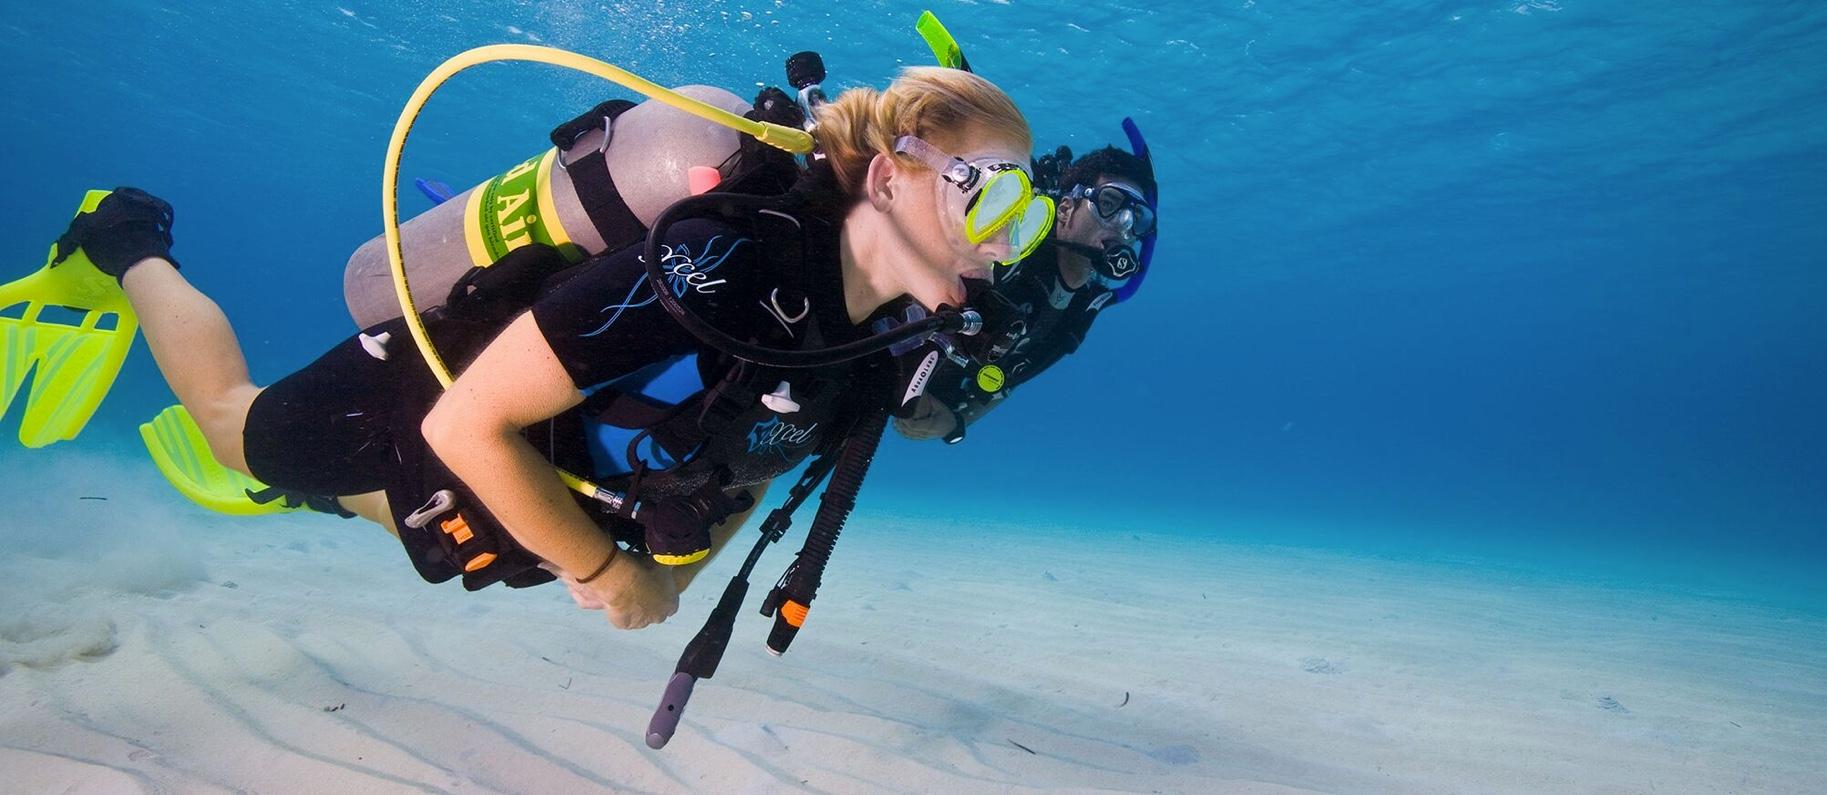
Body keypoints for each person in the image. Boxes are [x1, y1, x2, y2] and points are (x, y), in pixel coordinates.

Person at [35, 66, 1051, 631]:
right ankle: (125, 240)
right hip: (440, 389)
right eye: (990, 195)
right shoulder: (721, 260)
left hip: (531, 462)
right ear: (884, 180)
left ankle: (320, 492)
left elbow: (753, 467)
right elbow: (464, 420)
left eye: (1029, 213)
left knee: (477, 537)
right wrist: (613, 576)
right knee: (229, 426)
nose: (1009, 240)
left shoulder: (876, 343)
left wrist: (670, 577)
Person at [895, 140, 1157, 442]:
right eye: (1109, 204)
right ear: (1066, 210)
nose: (1124, 226)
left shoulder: (1085, 304)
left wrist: (955, 422)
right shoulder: (1004, 249)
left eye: (1138, 218)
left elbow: (1009, 379)